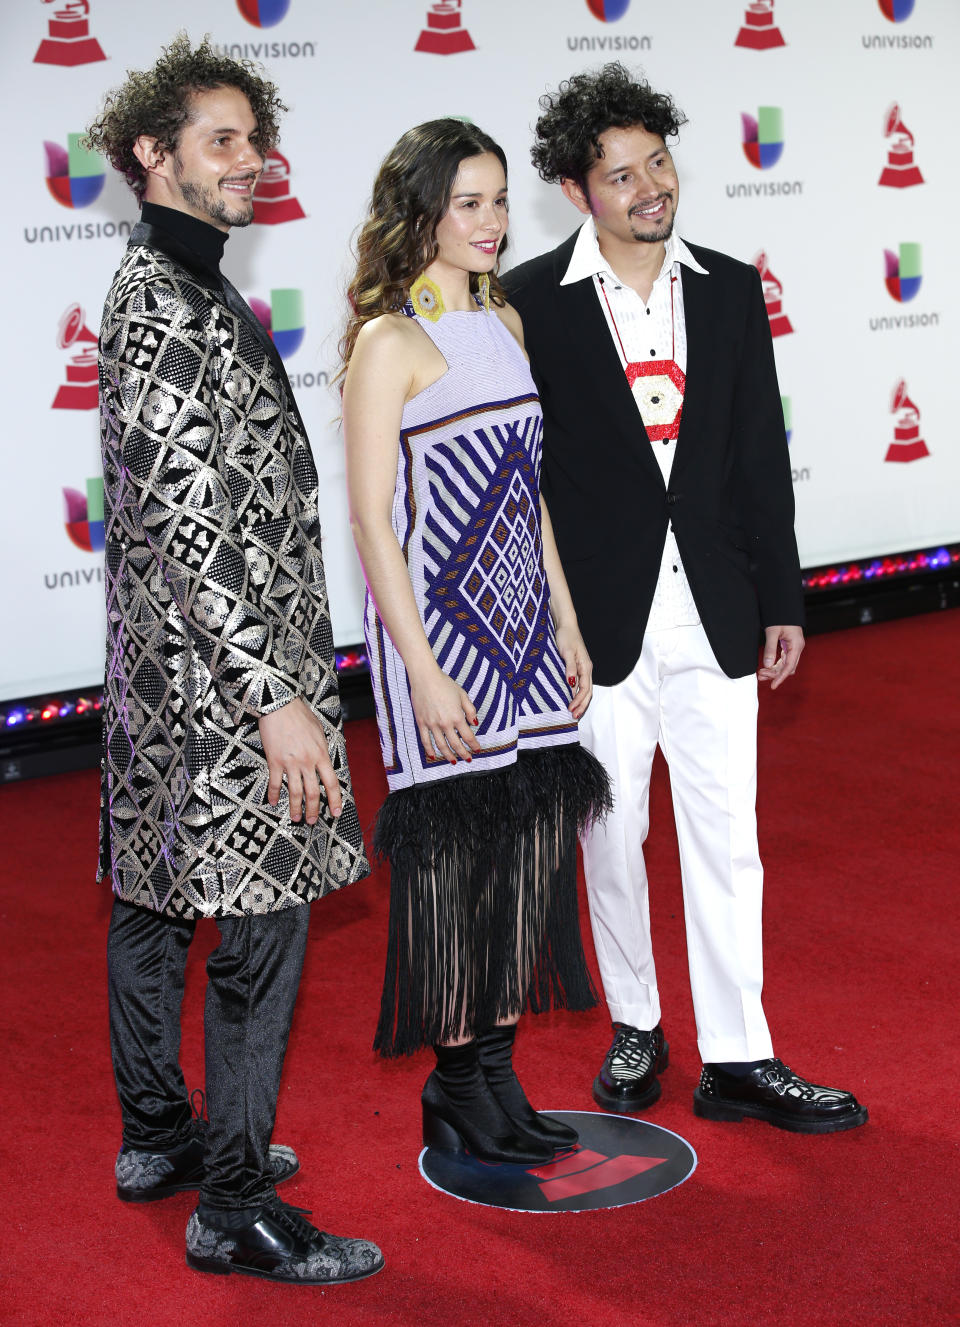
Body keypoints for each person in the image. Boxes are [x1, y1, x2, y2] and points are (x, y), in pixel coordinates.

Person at [503, 65, 867, 1134]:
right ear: (578, 192)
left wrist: (783, 597)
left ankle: (741, 1054)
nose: (651, 186)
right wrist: (544, 623)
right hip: (596, 625)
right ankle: (636, 1024)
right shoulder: (531, 304)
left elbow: (759, 454)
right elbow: (522, 481)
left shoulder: (727, 284)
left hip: (713, 607)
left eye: (658, 161)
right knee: (610, 840)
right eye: (622, 175)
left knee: (726, 835)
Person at [86, 35, 384, 1282]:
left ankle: (161, 1134)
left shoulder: (188, 286)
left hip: (178, 681)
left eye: (254, 140)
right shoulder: (161, 301)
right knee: (262, 927)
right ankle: (237, 1206)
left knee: (155, 898)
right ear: (151, 154)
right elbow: (192, 522)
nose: (249, 162)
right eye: (221, 141)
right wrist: (276, 700)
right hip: (223, 690)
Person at [340, 118, 610, 1165]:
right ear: (421, 213)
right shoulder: (387, 342)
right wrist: (417, 668)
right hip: (440, 645)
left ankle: (496, 1076)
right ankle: (456, 1090)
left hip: (527, 636)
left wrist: (569, 620)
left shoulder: (504, 320)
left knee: (523, 861)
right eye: (469, 203)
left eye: (499, 200)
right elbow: (373, 520)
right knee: (456, 872)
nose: (492, 222)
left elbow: (527, 491)